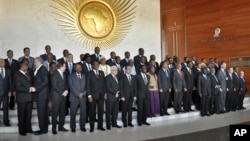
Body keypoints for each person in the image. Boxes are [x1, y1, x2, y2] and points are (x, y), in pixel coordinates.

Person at [14, 59, 35, 136]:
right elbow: (18, 87)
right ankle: (22, 130)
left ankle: (28, 129)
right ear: (22, 66)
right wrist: (29, 89)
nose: (27, 67)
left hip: (29, 98)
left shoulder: (27, 74)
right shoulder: (17, 75)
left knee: (28, 115)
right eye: (26, 66)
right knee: (22, 115)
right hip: (22, 99)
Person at [87, 61, 106, 132]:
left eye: (97, 64)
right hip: (93, 96)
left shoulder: (102, 72)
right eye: (95, 64)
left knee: (101, 111)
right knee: (92, 112)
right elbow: (88, 85)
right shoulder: (89, 73)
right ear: (92, 65)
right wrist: (89, 96)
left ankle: (100, 126)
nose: (96, 65)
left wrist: (105, 93)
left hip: (101, 96)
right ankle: (92, 127)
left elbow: (104, 84)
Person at [51, 61, 69, 134]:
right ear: (61, 66)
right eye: (65, 66)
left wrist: (67, 90)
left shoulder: (64, 74)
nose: (66, 68)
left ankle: (61, 127)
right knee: (55, 113)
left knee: (62, 113)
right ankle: (54, 128)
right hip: (56, 97)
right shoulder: (55, 74)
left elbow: (66, 84)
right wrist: (63, 92)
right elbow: (55, 86)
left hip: (63, 97)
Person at [68, 64, 87, 132]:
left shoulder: (85, 76)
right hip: (74, 98)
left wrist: (83, 93)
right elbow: (71, 87)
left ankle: (82, 126)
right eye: (77, 67)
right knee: (73, 113)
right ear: (75, 68)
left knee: (83, 113)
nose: (79, 68)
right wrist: (78, 94)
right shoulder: (71, 76)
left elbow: (87, 87)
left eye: (80, 67)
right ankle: (73, 127)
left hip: (83, 97)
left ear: (81, 68)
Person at [33, 57, 49, 135]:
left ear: (39, 62)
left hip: (42, 95)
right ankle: (44, 129)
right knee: (43, 113)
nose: (34, 63)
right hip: (41, 95)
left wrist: (36, 88)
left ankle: (42, 130)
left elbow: (45, 81)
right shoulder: (39, 69)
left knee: (41, 113)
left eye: (35, 62)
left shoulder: (43, 69)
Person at [0, 58, 11, 126]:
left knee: (6, 107)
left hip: (6, 92)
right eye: (0, 62)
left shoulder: (8, 71)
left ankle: (6, 121)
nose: (2, 63)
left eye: (3, 62)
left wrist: (10, 90)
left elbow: (10, 82)